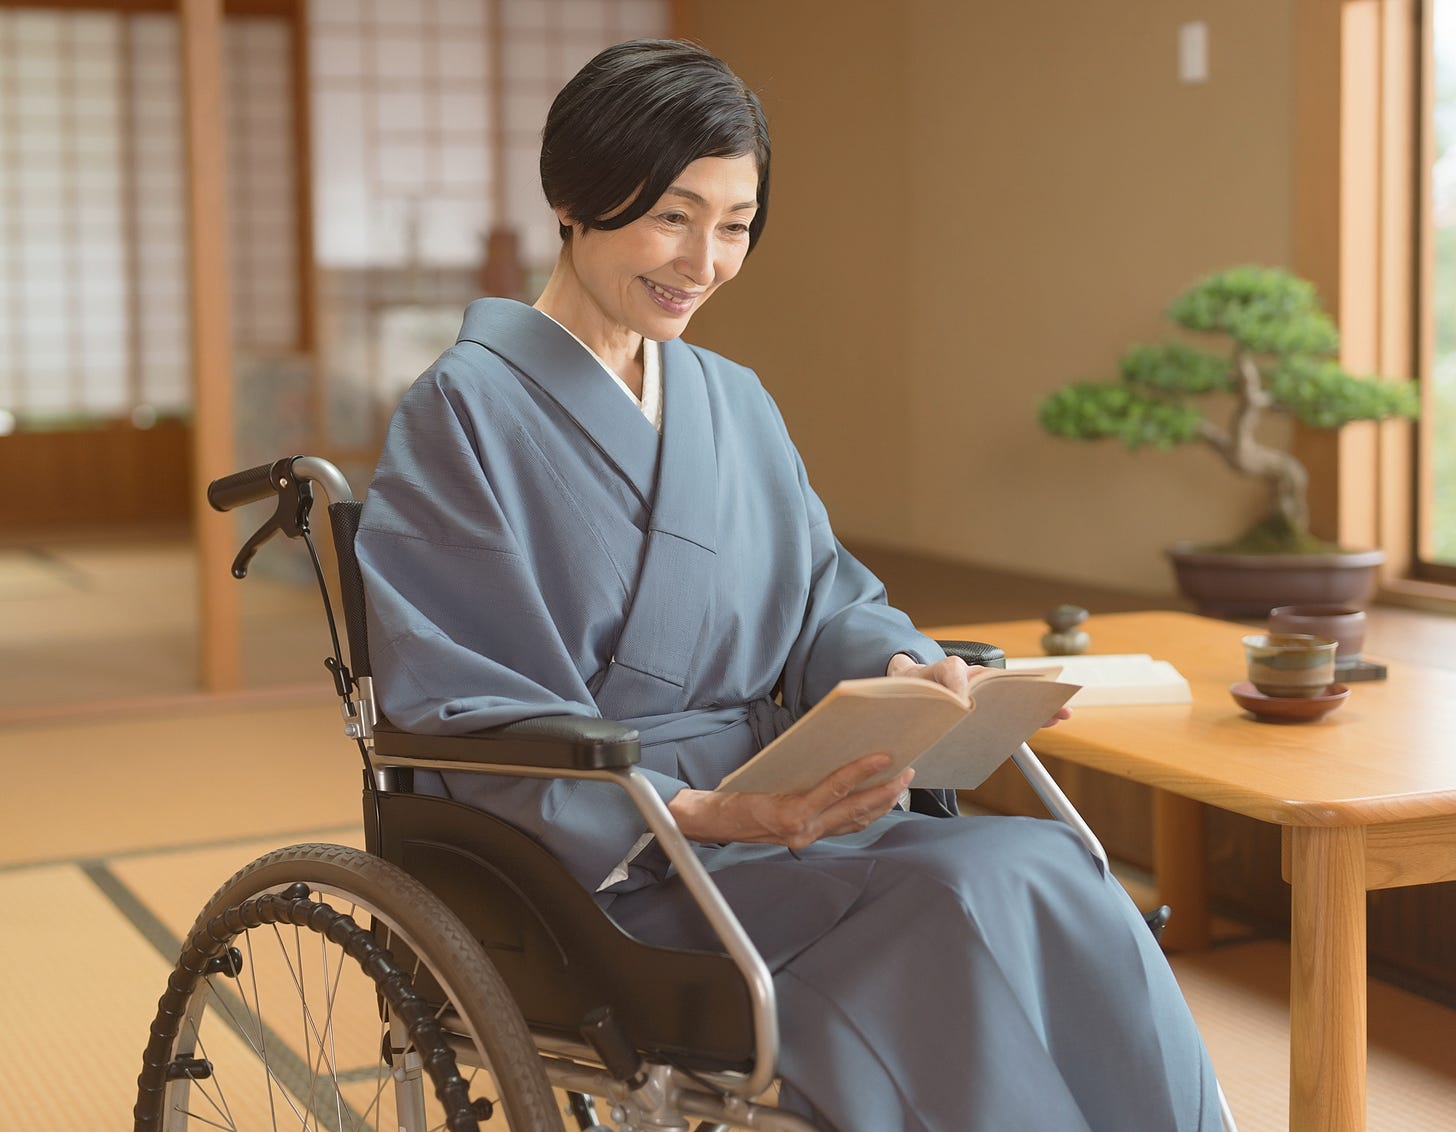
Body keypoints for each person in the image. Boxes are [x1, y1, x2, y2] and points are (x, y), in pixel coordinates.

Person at [356, 38, 1222, 1132]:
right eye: (672, 215)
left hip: (798, 808)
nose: (704, 261)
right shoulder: (462, 412)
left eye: (735, 225)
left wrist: (905, 670)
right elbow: (469, 699)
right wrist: (712, 810)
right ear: (572, 198)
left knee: (1045, 862)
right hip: (617, 853)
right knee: (946, 899)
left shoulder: (733, 400)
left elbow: (823, 601)